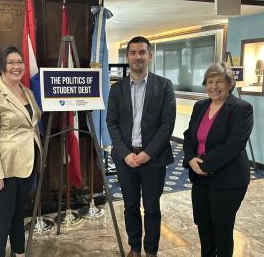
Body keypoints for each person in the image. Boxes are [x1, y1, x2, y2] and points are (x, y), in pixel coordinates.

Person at [107, 36, 176, 257]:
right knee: (130, 206)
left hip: (153, 160)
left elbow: (167, 125)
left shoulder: (164, 86)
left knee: (152, 208)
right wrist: (126, 154)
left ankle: (151, 251)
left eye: (142, 52)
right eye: (133, 53)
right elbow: (112, 123)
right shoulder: (117, 89)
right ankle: (135, 248)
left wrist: (147, 153)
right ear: (127, 57)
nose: (138, 57)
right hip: (125, 160)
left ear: (149, 55)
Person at [0, 46, 42, 257]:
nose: (17, 66)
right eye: (11, 62)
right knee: (1, 218)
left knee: (17, 214)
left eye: (20, 62)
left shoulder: (27, 92)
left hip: (25, 165)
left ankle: (19, 253)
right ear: (2, 65)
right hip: (1, 169)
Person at [183, 62, 253, 257]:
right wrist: (190, 159)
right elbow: (189, 136)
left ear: (230, 84)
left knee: (221, 228)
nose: (214, 86)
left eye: (219, 82)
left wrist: (203, 163)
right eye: (210, 82)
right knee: (203, 224)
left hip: (228, 179)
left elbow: (234, 145)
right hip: (200, 176)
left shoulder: (241, 108)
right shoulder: (200, 106)